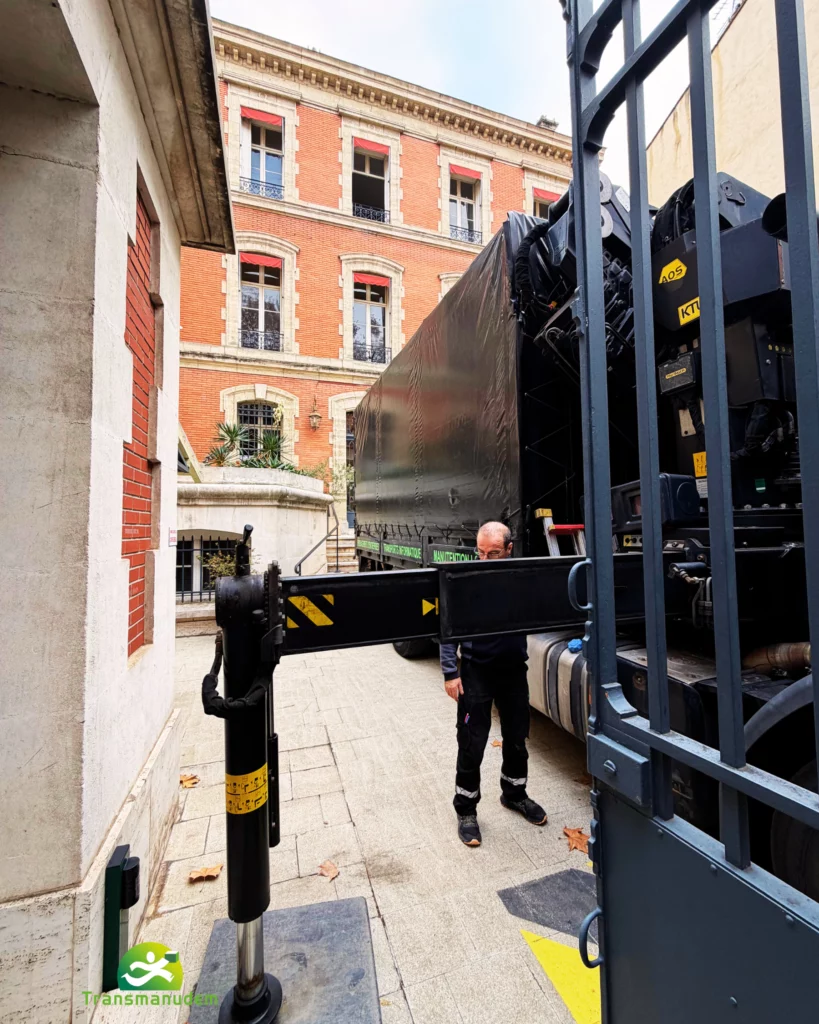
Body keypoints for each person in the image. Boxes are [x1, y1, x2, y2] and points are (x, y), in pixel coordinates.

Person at [440, 521, 548, 847]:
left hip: (513, 670)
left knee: (517, 738)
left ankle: (514, 793)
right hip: (476, 672)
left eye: (494, 553)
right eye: (481, 553)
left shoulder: (522, 580)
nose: (486, 560)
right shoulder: (467, 581)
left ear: (510, 549)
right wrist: (450, 671)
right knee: (472, 743)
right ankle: (466, 809)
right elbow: (448, 625)